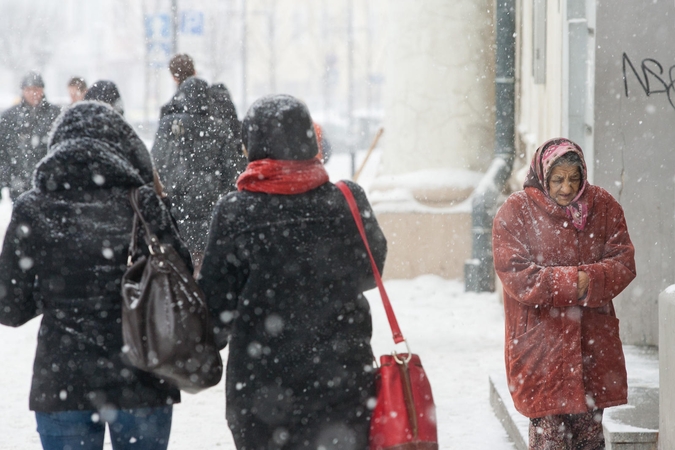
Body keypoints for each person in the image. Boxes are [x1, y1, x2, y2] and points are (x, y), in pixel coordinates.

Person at [0, 101, 192, 450]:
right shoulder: (143, 202)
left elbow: (8, 307)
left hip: (63, 380)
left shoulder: (33, 207)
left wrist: (56, 293)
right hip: (142, 376)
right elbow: (182, 279)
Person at [199, 94, 387, 449]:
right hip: (342, 381)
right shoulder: (347, 199)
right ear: (308, 140)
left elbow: (214, 303)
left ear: (252, 144)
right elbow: (371, 272)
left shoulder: (236, 211)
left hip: (262, 391)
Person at [492, 138, 636, 449]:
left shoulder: (604, 205)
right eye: (558, 179)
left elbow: (623, 261)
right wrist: (577, 282)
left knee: (589, 438)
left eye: (574, 178)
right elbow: (517, 273)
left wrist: (593, 278)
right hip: (542, 347)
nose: (567, 188)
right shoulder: (517, 210)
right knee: (550, 439)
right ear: (543, 176)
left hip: (591, 342)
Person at [152, 54, 245, 273]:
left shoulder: (169, 124)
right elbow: (233, 172)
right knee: (205, 271)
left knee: (181, 273)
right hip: (211, 217)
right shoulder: (219, 128)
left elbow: (157, 166)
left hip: (178, 214)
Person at [0, 71, 61, 199]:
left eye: (36, 89)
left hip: (49, 185)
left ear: (42, 90)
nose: (33, 93)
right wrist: (7, 178)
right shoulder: (9, 118)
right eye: (28, 89)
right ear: (22, 91)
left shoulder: (56, 115)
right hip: (19, 185)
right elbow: (3, 150)